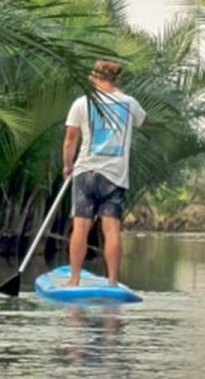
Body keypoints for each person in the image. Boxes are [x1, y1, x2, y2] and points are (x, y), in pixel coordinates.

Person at [62, 60, 146, 286]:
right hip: (115, 176)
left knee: (81, 226)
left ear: (95, 76)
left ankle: (74, 279)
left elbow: (71, 139)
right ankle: (113, 282)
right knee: (112, 230)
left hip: (85, 173)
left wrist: (67, 165)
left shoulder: (82, 103)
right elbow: (144, 121)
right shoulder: (130, 103)